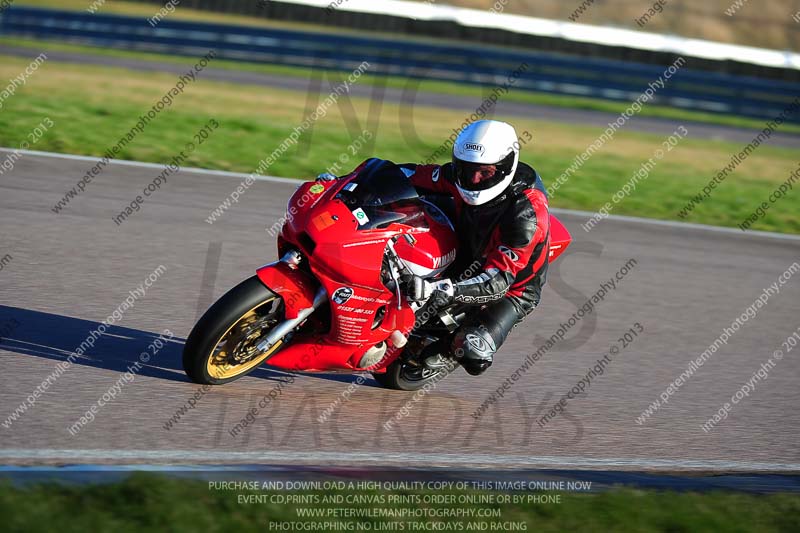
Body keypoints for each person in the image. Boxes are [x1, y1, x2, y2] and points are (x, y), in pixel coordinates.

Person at [398, 120, 551, 376]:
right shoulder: (458, 176)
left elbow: (499, 279)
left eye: (484, 173)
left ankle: (447, 347)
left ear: (505, 167)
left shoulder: (525, 215)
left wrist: (445, 289)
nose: (473, 179)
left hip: (511, 288)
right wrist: (351, 180)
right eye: (466, 170)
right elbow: (409, 174)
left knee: (473, 352)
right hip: (466, 248)